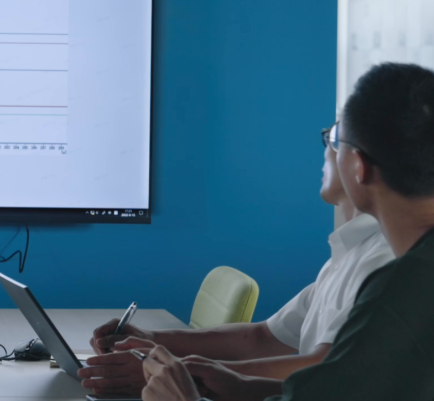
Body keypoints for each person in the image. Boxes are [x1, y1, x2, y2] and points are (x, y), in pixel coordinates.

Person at [136, 62, 434, 401]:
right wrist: (240, 385)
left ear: (357, 165)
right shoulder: (402, 271)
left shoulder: (399, 287)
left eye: (334, 140)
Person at [79, 113, 395, 397]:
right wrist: (151, 338)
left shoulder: (382, 262)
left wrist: (176, 373)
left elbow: (326, 367)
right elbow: (263, 337)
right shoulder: (348, 254)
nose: (325, 149)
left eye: (334, 137)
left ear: (359, 163)